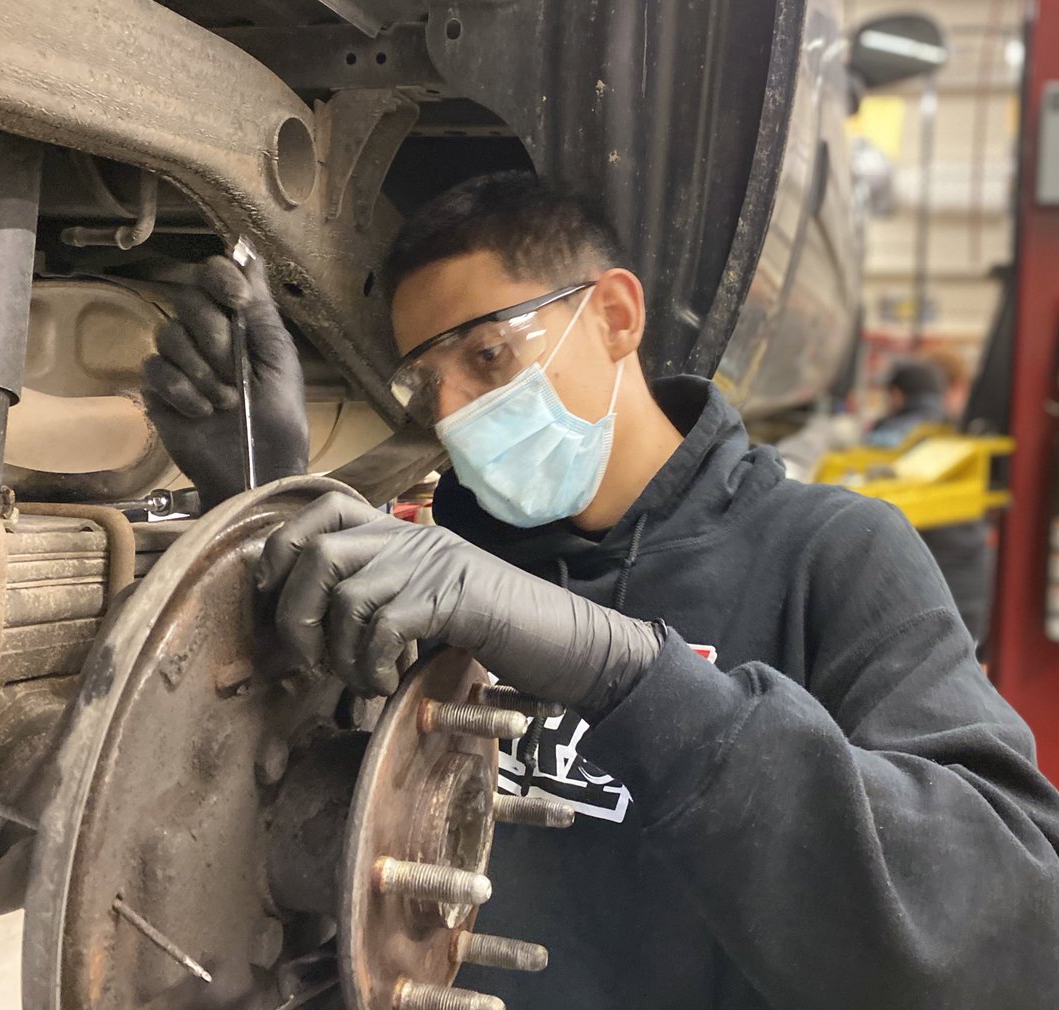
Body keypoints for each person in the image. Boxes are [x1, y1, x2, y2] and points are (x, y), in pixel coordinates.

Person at [142, 172, 1059, 1008]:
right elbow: (308, 801)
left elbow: (1013, 921)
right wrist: (261, 502)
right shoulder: (443, 570)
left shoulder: (831, 553)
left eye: (489, 356)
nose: (454, 414)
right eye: (428, 382)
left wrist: (625, 672)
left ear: (616, 316)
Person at [866, 358, 994, 646]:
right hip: (973, 593)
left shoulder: (887, 438)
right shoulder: (957, 435)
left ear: (897, 396)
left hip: (929, 598)